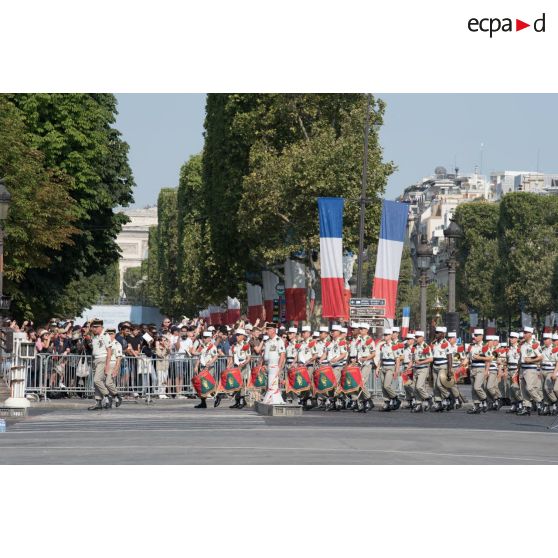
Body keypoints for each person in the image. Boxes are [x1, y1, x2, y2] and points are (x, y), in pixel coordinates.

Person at [88, 319, 121, 410]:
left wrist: (107, 365)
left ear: (100, 327)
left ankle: (108, 396)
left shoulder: (105, 335)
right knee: (97, 384)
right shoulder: (95, 337)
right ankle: (98, 402)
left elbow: (109, 351)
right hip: (96, 359)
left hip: (103, 359)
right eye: (92, 327)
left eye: (95, 327)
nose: (93, 329)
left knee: (97, 380)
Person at [517, 326, 544, 416]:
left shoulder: (534, 344)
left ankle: (539, 401)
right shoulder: (523, 344)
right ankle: (526, 407)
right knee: (523, 389)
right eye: (523, 333)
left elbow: (540, 357)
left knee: (529, 387)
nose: (523, 334)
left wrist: (531, 360)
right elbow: (521, 357)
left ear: (530, 334)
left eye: (525, 333)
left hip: (530, 368)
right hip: (522, 368)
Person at [376, 328, 402, 412]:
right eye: (384, 335)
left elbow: (397, 359)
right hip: (383, 367)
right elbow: (381, 359)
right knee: (383, 387)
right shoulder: (383, 346)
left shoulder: (394, 345)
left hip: (390, 367)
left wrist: (396, 371)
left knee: (387, 385)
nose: (385, 336)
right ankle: (386, 403)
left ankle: (395, 398)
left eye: (387, 335)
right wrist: (377, 368)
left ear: (390, 335)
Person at [466, 328, 492, 414]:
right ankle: (476, 406)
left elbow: (490, 358)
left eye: (477, 336)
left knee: (477, 387)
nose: (475, 337)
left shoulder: (485, 346)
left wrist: (480, 358)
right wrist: (463, 364)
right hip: (472, 368)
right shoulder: (472, 346)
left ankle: (485, 400)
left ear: (481, 336)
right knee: (473, 389)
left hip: (481, 368)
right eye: (475, 335)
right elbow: (468, 357)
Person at [262, 322, 286, 405]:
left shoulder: (279, 341)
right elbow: (265, 354)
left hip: (275, 365)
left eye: (268, 330)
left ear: (273, 330)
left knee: (273, 384)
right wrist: (264, 364)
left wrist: (279, 368)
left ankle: (273, 399)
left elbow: (282, 354)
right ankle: (271, 398)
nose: (267, 331)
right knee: (270, 383)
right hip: (268, 365)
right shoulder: (268, 341)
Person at [193, 331, 219, 409]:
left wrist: (210, 363)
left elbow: (215, 356)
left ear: (209, 338)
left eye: (205, 338)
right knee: (202, 385)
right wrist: (196, 366)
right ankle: (203, 402)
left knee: (210, 384)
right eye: (203, 338)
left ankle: (218, 396)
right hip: (202, 367)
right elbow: (200, 356)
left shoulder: (212, 346)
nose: (204, 339)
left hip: (209, 368)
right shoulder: (202, 346)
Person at [354, 323, 375, 412]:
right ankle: (364, 402)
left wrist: (365, 358)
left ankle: (368, 400)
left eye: (363, 329)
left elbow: (373, 354)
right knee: (359, 383)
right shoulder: (359, 340)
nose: (361, 330)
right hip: (360, 364)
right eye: (360, 329)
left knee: (361, 383)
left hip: (366, 364)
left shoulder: (369, 340)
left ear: (366, 330)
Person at [411, 331, 433, 412]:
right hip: (415, 368)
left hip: (423, 368)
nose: (416, 339)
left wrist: (421, 362)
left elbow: (430, 359)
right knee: (414, 388)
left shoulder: (425, 346)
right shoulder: (414, 346)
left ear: (422, 337)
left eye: (417, 337)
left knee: (419, 386)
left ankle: (428, 398)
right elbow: (412, 358)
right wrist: (409, 367)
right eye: (415, 337)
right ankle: (418, 404)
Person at [431, 326, 451, 411]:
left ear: (443, 334)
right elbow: (432, 357)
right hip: (435, 365)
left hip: (443, 365)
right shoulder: (434, 343)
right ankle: (438, 403)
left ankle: (449, 396)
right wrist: (430, 370)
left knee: (440, 384)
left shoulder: (446, 343)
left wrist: (449, 370)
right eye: (436, 332)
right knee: (435, 386)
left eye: (438, 333)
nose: (436, 334)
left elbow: (449, 357)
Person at [539, 332, 558, 415]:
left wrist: (555, 372)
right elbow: (540, 360)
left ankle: (555, 402)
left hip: (551, 370)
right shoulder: (543, 349)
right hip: (543, 369)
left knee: (548, 388)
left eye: (546, 339)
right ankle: (546, 406)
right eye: (544, 339)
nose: (545, 341)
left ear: (550, 340)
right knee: (543, 389)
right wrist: (539, 370)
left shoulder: (555, 349)